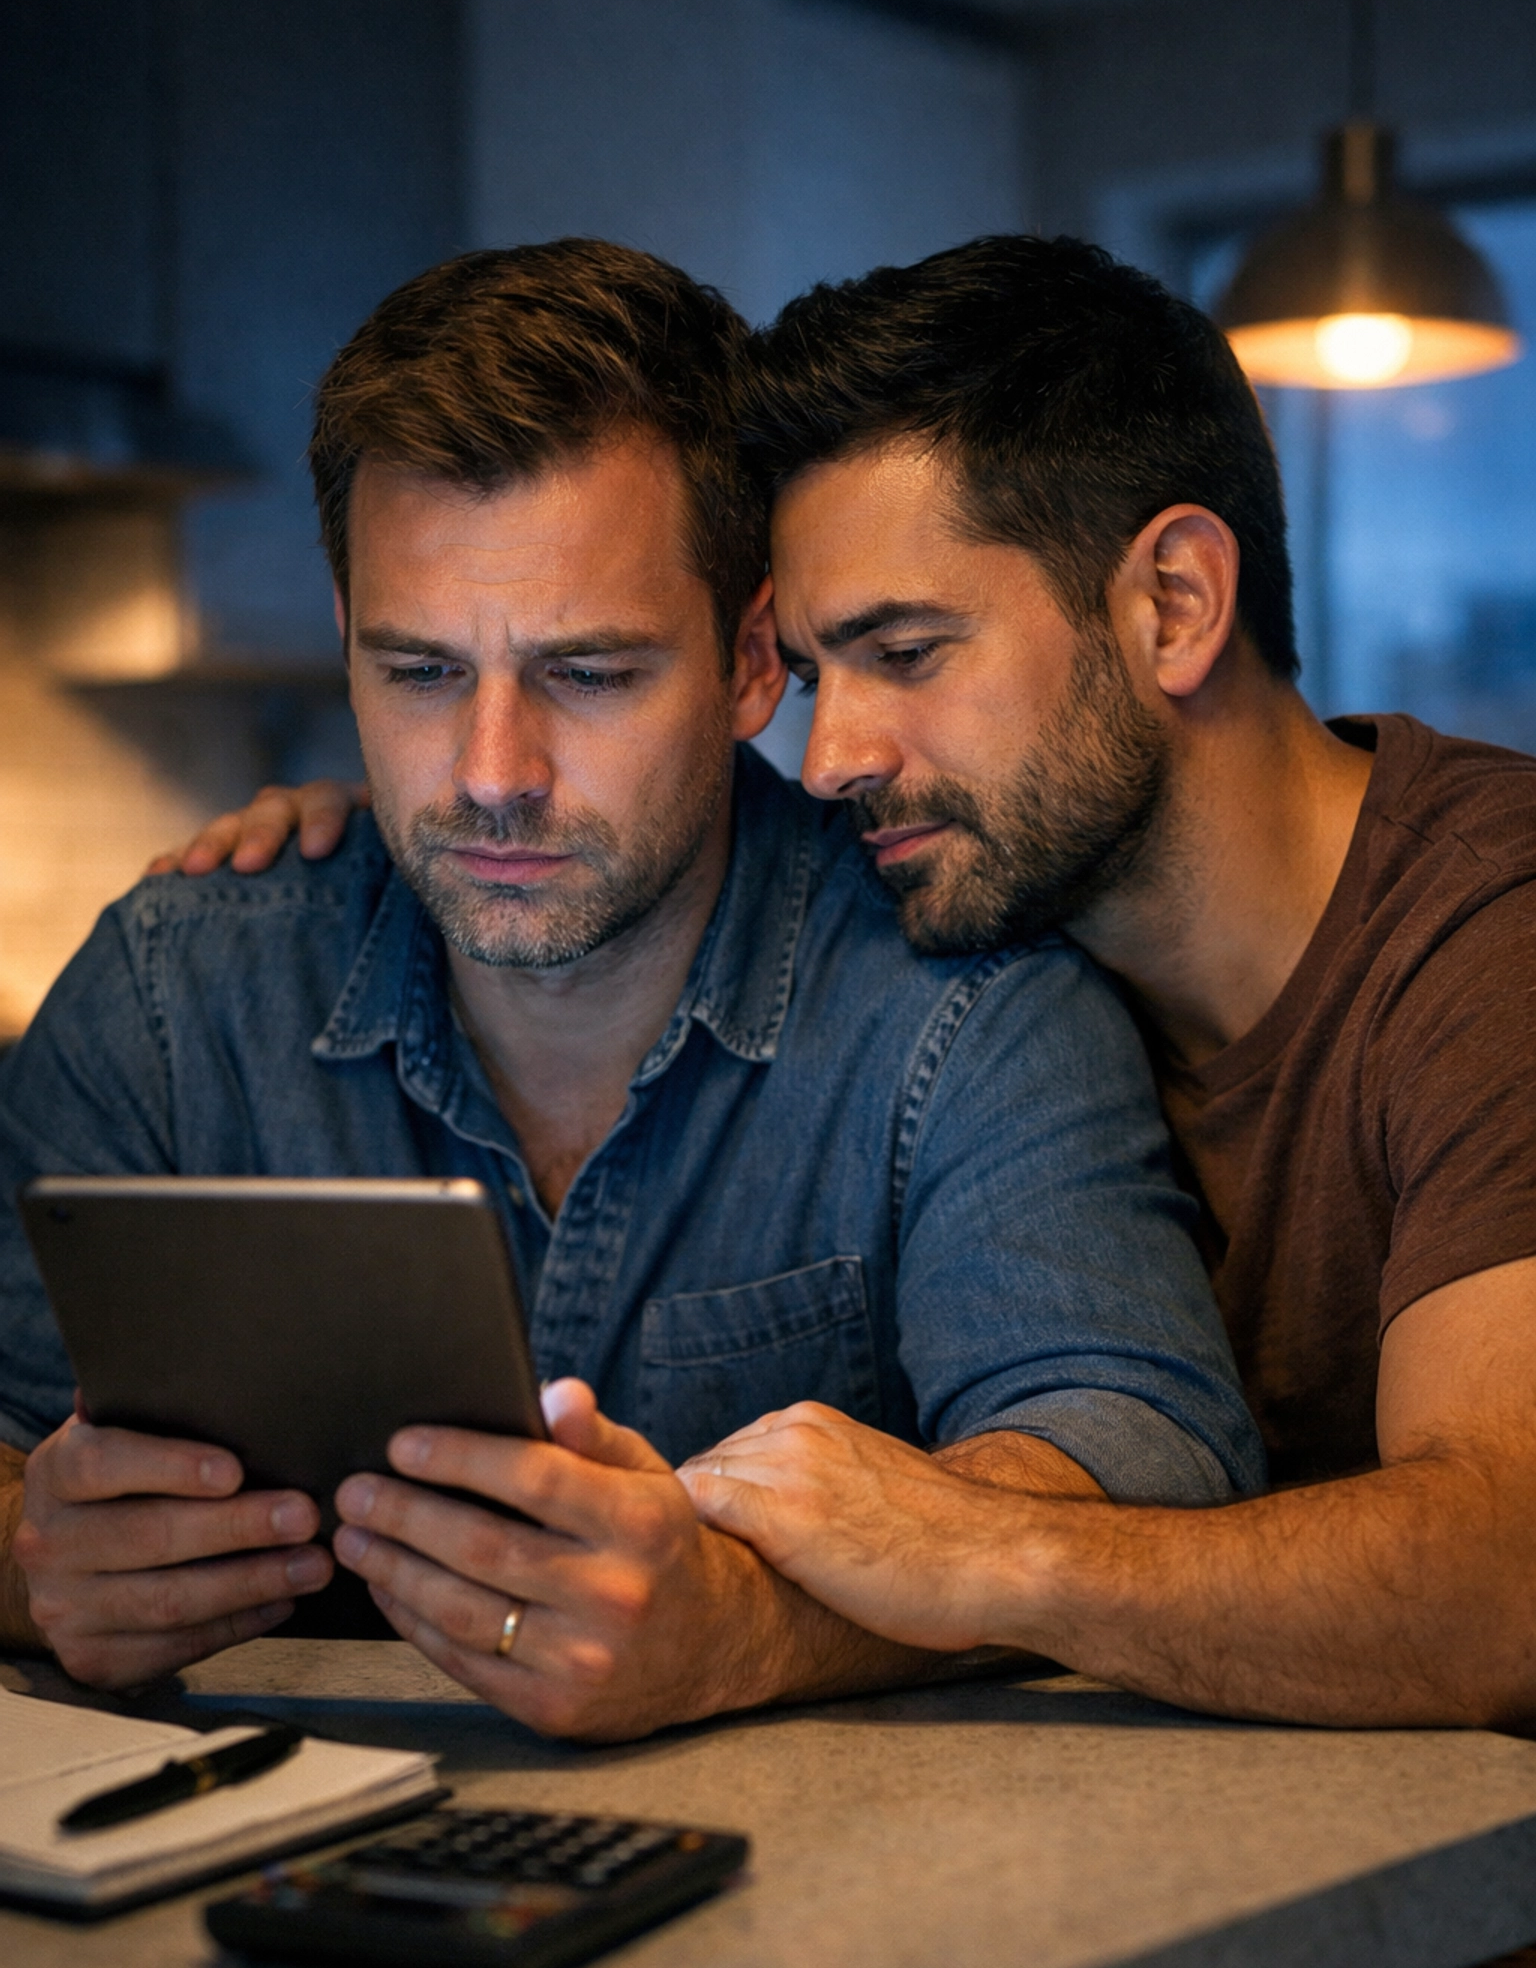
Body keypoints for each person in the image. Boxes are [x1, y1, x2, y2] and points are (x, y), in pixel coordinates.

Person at [195, 235, 1536, 1968]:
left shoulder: (1489, 943)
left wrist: (985, 1549)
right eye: (813, 672)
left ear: (1173, 605)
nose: (827, 757)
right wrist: (413, 824)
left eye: (904, 652)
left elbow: (1506, 1580)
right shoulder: (1016, 945)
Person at [0, 239, 1262, 1743]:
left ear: (752, 664)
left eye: (589, 674)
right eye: (418, 672)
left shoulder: (962, 1002)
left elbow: (1138, 1452)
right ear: (345, 642)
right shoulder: (175, 989)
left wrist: (751, 1625)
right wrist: (27, 1560)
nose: (491, 776)